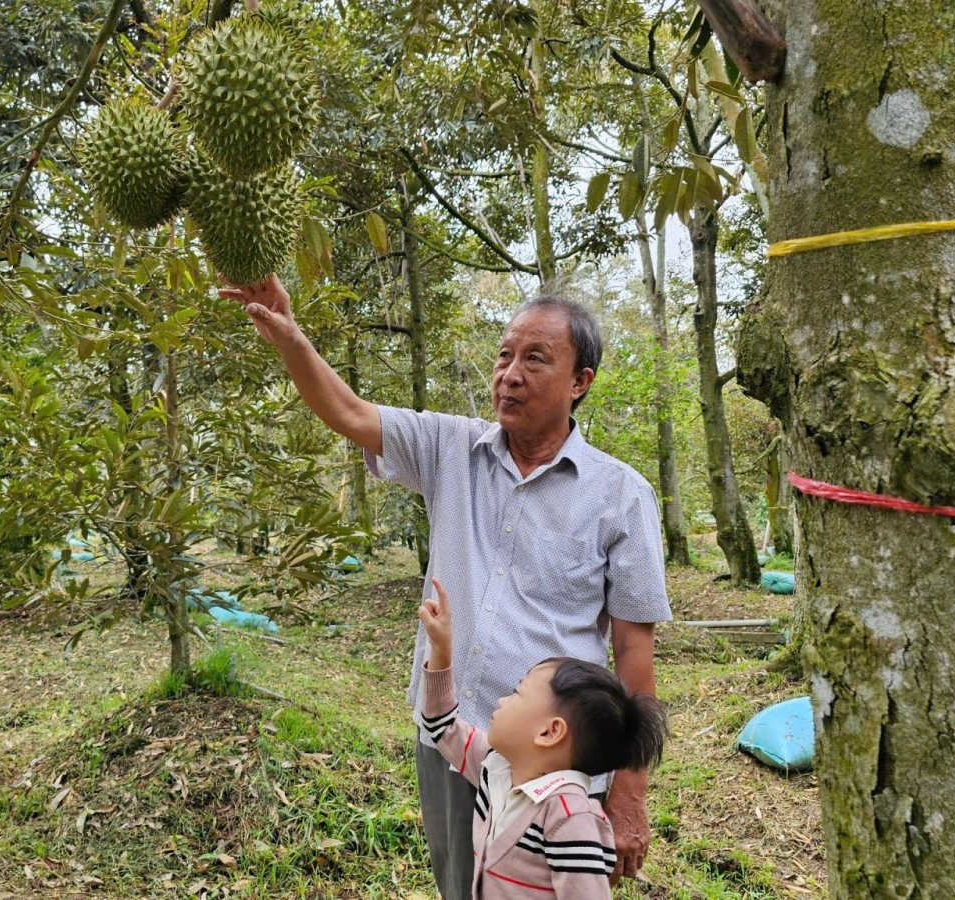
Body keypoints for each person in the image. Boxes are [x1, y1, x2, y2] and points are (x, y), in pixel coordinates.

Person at [221, 274, 672, 896]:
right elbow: (349, 411)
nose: (509, 374)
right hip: (451, 736)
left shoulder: (620, 495)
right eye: (504, 354)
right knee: (460, 885)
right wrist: (290, 336)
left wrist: (630, 787)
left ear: (580, 383)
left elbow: (632, 653)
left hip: (557, 762)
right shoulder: (450, 448)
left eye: (535, 359)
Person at [415, 576, 667, 899]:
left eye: (517, 693)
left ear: (549, 732)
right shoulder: (497, 767)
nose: (503, 700)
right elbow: (441, 726)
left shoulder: (569, 817)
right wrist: (440, 651)